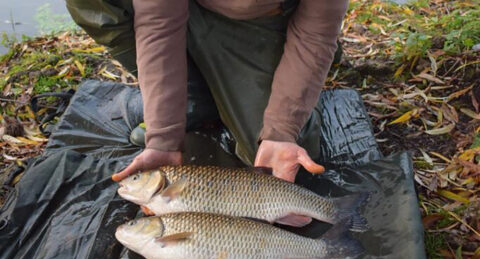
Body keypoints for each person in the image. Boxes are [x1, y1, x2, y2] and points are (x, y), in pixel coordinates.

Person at [66, 0, 349, 182]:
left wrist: (281, 132)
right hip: (181, 9)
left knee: (276, 163)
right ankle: (194, 98)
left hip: (259, 24)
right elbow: (157, 24)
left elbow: (314, 36)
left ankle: (239, 80)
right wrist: (163, 138)